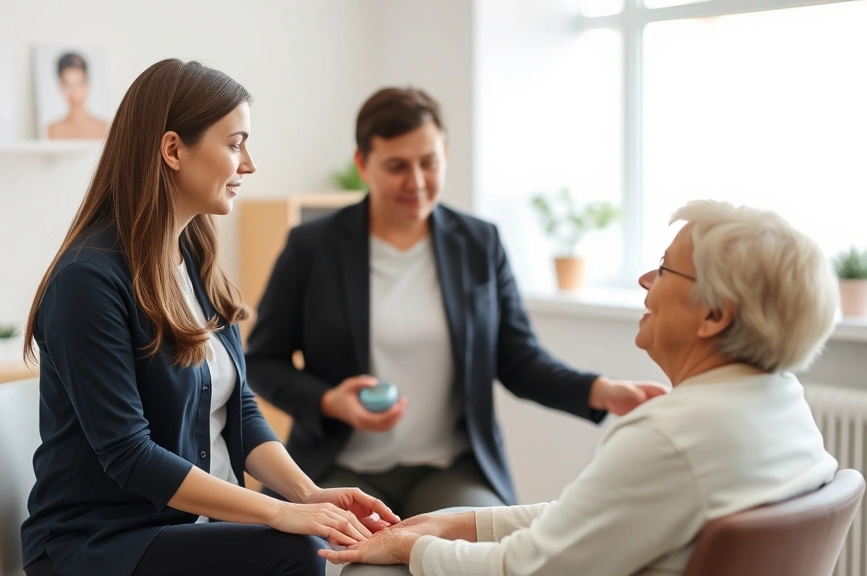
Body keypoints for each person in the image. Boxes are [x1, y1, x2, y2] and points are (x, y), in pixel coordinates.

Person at [20, 59, 399, 576]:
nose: (249, 164)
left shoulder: (193, 257)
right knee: (298, 551)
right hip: (102, 541)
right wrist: (281, 512)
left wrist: (308, 493)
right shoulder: (87, 281)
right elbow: (129, 453)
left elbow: (236, 407)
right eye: (236, 142)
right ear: (173, 149)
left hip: (191, 526)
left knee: (336, 542)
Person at [319, 200, 841, 576]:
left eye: (663, 269)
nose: (644, 281)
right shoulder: (781, 403)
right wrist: (452, 526)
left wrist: (412, 550)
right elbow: (589, 519)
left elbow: (527, 569)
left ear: (713, 314)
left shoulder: (670, 436)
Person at [245, 86, 667, 518]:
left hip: (451, 471)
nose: (417, 182)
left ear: (445, 152)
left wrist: (603, 391)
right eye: (397, 166)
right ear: (362, 164)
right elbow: (262, 360)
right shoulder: (312, 247)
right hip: (335, 468)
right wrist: (329, 401)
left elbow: (519, 359)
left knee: (481, 555)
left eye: (429, 162)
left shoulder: (479, 242)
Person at [46, 52, 108, 140]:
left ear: (87, 85)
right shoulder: (52, 130)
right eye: (67, 84)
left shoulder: (105, 128)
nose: (74, 92)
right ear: (60, 86)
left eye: (79, 83)